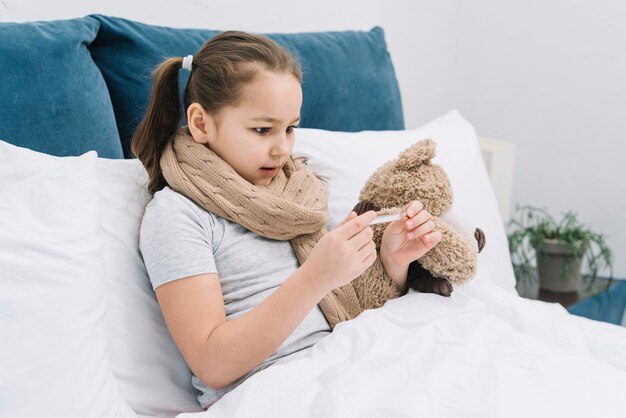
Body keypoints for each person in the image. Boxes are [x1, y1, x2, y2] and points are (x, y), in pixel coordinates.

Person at [132, 31, 442, 409]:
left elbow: (350, 309)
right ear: (201, 123)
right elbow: (212, 363)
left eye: (290, 128)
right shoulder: (177, 215)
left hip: (350, 358)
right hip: (279, 390)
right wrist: (316, 277)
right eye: (263, 130)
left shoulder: (298, 193)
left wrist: (393, 261)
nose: (282, 148)